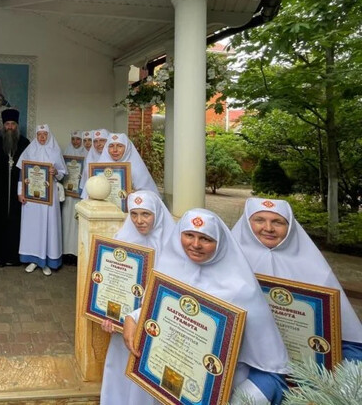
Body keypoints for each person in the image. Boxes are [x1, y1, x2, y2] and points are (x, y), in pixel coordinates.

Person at [122, 209, 290, 405]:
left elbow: (270, 370)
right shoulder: (169, 270)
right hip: (166, 384)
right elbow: (160, 310)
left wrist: (240, 400)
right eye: (189, 235)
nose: (195, 244)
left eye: (206, 239)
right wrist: (133, 317)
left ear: (220, 243)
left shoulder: (241, 290)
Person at [231, 197, 362, 360]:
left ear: (291, 226)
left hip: (302, 355)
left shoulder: (314, 265)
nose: (268, 228)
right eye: (259, 220)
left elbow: (340, 328)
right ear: (246, 223)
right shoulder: (230, 260)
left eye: (278, 222)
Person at [99, 191, 175, 405]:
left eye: (146, 214)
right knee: (120, 371)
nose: (139, 221)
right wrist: (107, 314)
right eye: (134, 214)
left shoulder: (174, 246)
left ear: (157, 213)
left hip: (156, 325)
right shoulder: (122, 239)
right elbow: (110, 283)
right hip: (124, 325)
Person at [17, 124, 66, 276]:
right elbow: (22, 173)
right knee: (33, 228)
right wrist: (20, 192)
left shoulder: (55, 151)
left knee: (49, 227)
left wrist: (55, 171)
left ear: (49, 135)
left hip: (49, 197)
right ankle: (33, 260)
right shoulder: (29, 150)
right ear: (36, 136)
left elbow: (62, 174)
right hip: (32, 197)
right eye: (39, 134)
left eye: (45, 134)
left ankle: (47, 262)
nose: (42, 137)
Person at [0, 109, 30, 266]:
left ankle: (15, 256)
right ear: (3, 125)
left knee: (16, 223)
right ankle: (0, 256)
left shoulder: (25, 143)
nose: (10, 127)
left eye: (13, 124)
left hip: (18, 190)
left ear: (17, 126)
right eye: (7, 124)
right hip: (0, 190)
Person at [89, 133, 159, 197]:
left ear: (127, 148)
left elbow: (149, 195)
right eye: (111, 146)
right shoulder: (99, 166)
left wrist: (134, 193)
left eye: (120, 146)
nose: (115, 150)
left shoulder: (137, 168)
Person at [61, 130, 87, 263]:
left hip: (79, 196)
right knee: (66, 222)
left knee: (77, 223)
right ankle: (66, 252)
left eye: (78, 139)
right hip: (68, 195)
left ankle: (77, 253)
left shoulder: (87, 155)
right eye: (73, 139)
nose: (75, 142)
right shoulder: (66, 152)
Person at [78, 128, 109, 198]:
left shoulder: (115, 158)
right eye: (95, 141)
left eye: (102, 140)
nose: (98, 144)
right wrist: (81, 187)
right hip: (89, 196)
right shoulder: (90, 157)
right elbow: (85, 177)